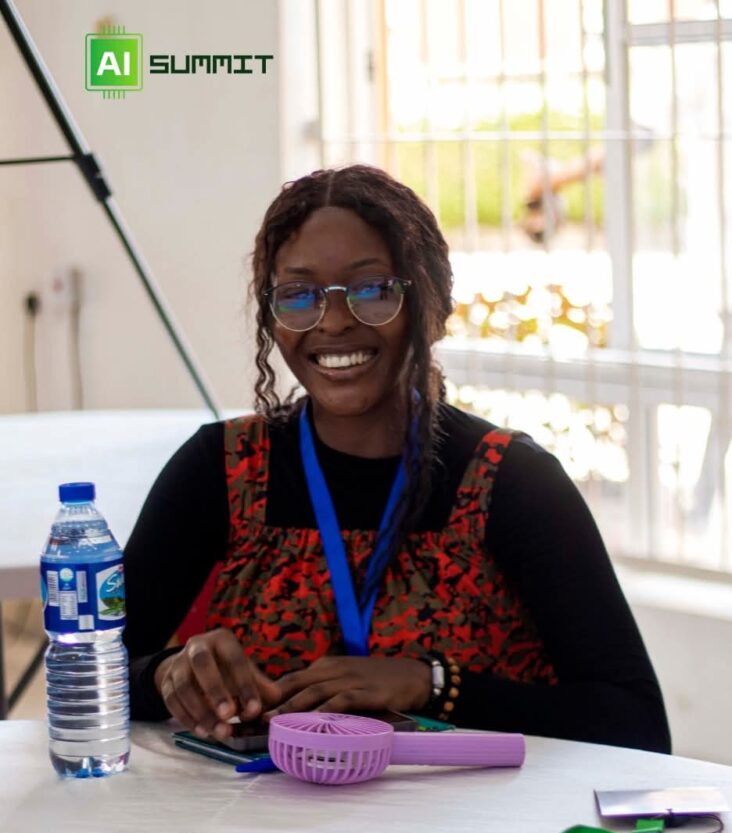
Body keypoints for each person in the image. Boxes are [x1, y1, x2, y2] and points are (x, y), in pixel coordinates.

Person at [123, 164, 671, 754]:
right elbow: (80, 671)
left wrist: (432, 685)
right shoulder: (222, 469)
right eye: (299, 295)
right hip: (264, 832)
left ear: (430, 306)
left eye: (371, 289)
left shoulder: (510, 483)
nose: (333, 322)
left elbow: (635, 723)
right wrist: (167, 674)